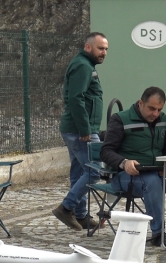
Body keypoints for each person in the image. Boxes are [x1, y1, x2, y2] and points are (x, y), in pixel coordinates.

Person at [100, 86, 166, 246]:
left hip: (157, 173)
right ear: (141, 103)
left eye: (159, 109)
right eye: (151, 108)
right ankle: (158, 233)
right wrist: (124, 162)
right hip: (127, 177)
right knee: (152, 181)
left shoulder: (163, 119)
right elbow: (106, 151)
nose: (155, 114)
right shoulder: (120, 119)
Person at [52, 32, 109, 231]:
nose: (104, 52)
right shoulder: (83, 66)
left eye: (106, 49)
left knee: (79, 173)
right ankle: (66, 208)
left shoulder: (86, 65)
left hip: (77, 129)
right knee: (94, 172)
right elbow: (76, 98)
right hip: (80, 130)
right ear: (88, 47)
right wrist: (85, 128)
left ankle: (81, 215)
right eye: (100, 48)